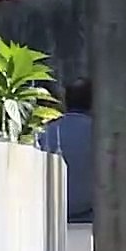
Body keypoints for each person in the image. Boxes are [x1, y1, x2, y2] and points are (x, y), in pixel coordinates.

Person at [36, 78, 94, 223]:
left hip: (53, 213)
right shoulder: (101, 135)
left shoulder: (46, 132)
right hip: (90, 213)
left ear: (65, 101)